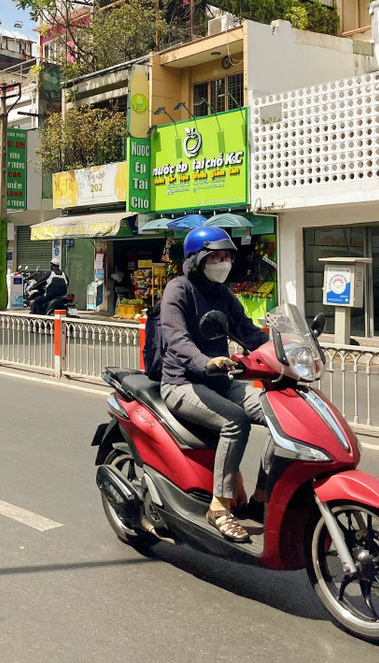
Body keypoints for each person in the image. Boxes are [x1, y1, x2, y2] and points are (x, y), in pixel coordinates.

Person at [158, 226, 269, 544]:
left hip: (221, 380)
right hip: (182, 382)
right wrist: (203, 362)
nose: (223, 263)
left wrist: (285, 350)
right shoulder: (177, 290)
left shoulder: (223, 295)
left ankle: (261, 498)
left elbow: (248, 332)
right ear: (196, 259)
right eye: (215, 257)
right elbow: (175, 338)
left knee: (280, 413)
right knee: (236, 420)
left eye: (227, 257)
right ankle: (219, 508)